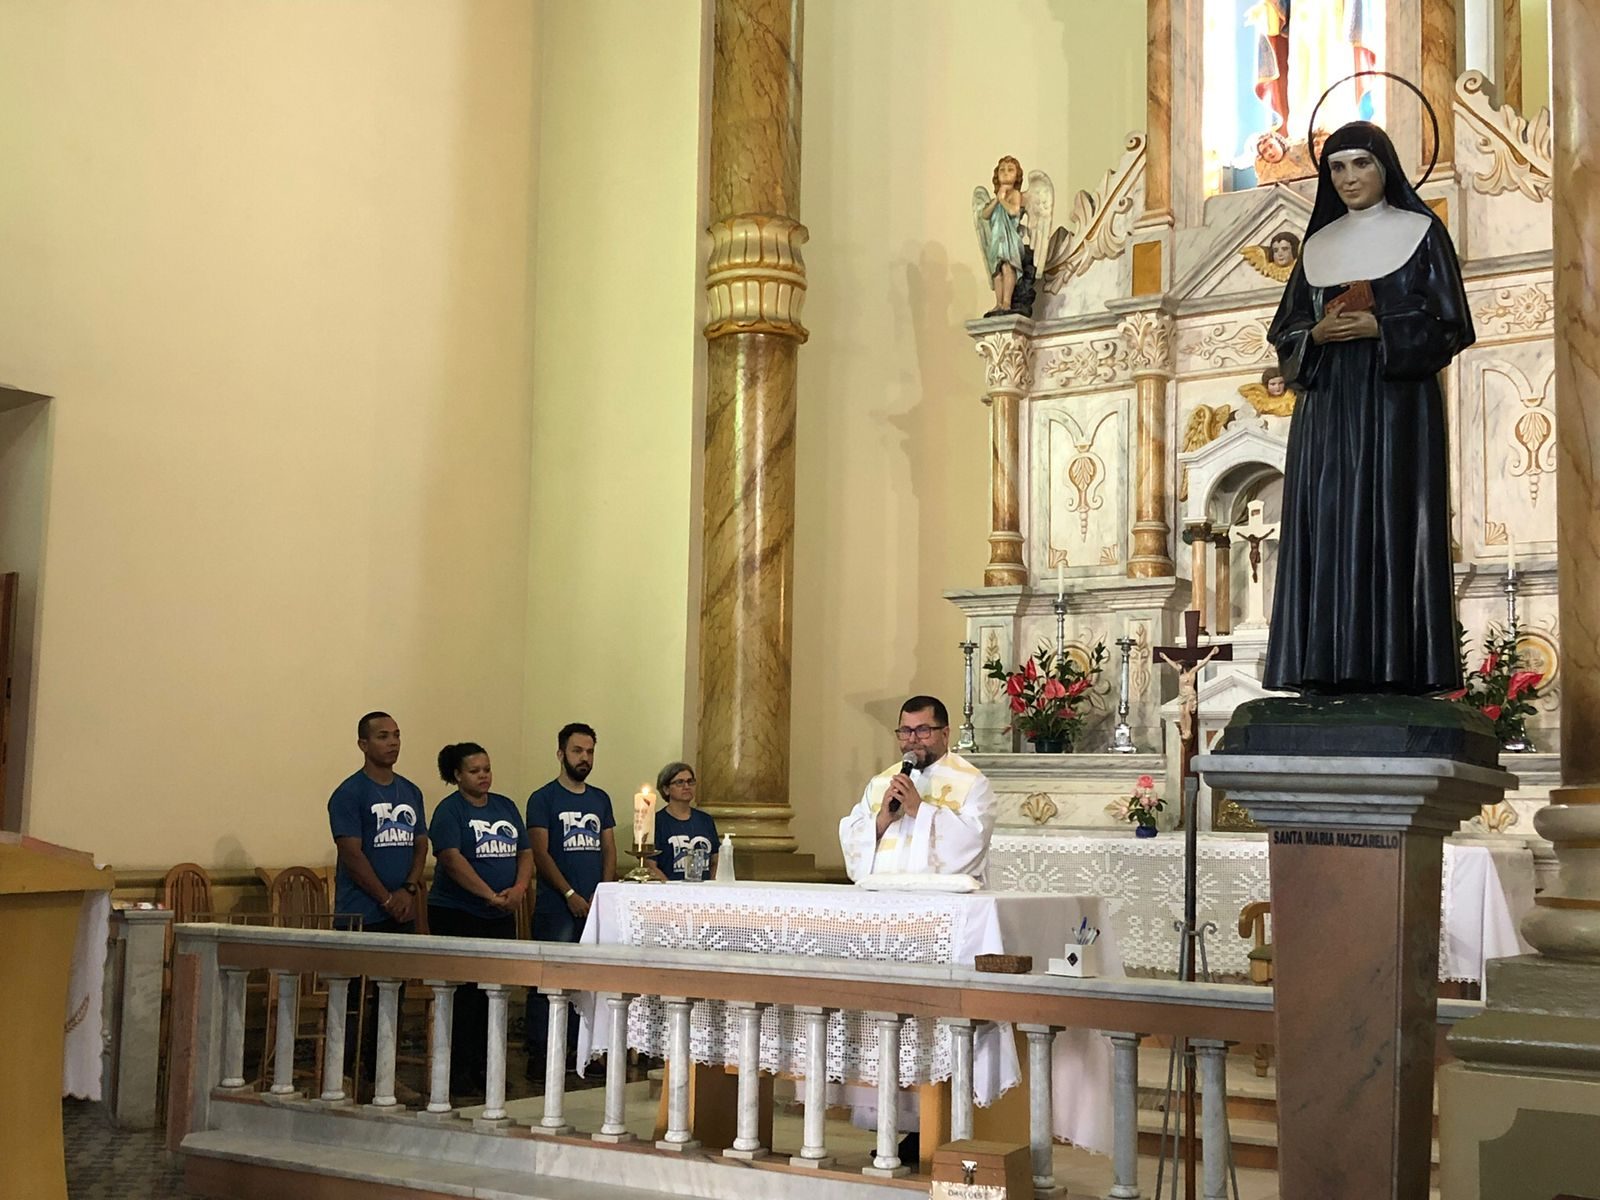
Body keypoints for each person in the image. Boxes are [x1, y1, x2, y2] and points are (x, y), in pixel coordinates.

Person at [1264, 121, 1472, 694]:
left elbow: (1451, 325)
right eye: (1337, 167)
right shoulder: (1317, 246)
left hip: (1395, 407)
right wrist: (1316, 336)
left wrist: (1382, 327)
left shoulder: (1421, 233)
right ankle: (1323, 670)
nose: (1348, 178)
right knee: (1328, 521)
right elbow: (1285, 335)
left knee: (1392, 517)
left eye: (1361, 164)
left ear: (1385, 168)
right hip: (1328, 412)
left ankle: (1399, 670)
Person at [327, 712, 428, 1095]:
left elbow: (420, 844)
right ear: (363, 744)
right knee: (354, 999)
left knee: (392, 996)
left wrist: (408, 889)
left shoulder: (411, 791)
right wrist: (385, 897)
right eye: (383, 736)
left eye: (397, 735)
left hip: (401, 910)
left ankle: (383, 1076)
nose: (393, 742)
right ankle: (344, 1075)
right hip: (360, 913)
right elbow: (351, 854)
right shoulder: (349, 793)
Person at [426, 742, 531, 1100]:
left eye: (486, 769)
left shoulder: (505, 806)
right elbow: (452, 860)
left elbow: (525, 851)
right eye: (475, 771)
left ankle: (489, 1070)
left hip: (500, 913)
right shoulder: (449, 811)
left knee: (494, 994)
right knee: (465, 997)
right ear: (457, 775)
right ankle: (457, 1073)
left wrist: (519, 889)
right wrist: (487, 894)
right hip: (458, 913)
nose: (483, 776)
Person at [524, 722, 616, 1076]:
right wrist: (569, 893)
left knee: (588, 979)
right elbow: (541, 852)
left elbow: (608, 848)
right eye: (578, 751)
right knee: (550, 977)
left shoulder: (600, 799)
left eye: (590, 751)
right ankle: (542, 1053)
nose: (585, 758)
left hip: (594, 903)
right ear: (561, 753)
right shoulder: (543, 798)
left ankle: (583, 1052)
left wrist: (602, 891)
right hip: (557, 905)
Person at [839, 696, 997, 884]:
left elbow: (973, 841)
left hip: (942, 897)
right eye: (905, 731)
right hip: (882, 893)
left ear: (945, 734)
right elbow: (851, 840)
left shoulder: (972, 783)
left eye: (923, 730)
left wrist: (919, 810)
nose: (912, 739)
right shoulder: (881, 783)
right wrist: (882, 820)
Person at [647, 762, 719, 882]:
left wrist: (710, 886)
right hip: (669, 888)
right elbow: (650, 865)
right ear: (666, 789)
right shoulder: (656, 822)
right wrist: (672, 889)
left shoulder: (705, 820)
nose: (686, 786)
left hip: (704, 888)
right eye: (679, 782)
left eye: (690, 782)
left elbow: (715, 860)